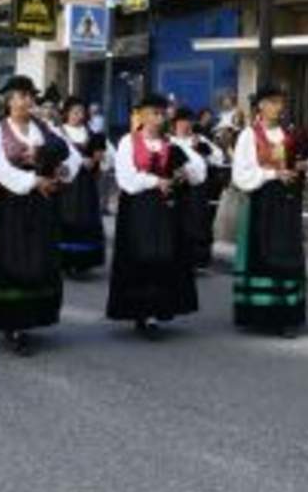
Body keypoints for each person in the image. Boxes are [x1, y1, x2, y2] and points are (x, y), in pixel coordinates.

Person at [0, 76, 79, 356]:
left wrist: (61, 171)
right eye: (20, 96)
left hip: (42, 204)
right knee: (13, 260)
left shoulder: (43, 128)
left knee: (37, 260)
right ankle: (13, 324)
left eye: (30, 96)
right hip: (9, 203)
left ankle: (32, 316)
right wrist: (34, 181)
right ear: (8, 100)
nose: (26, 101)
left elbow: (71, 157)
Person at [108, 94, 203, 340]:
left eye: (161, 114)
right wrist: (155, 180)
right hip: (138, 208)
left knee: (164, 256)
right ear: (141, 115)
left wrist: (183, 172)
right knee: (141, 256)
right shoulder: (128, 142)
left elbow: (198, 173)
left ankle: (155, 311)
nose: (158, 119)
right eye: (153, 113)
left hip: (166, 210)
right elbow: (126, 179)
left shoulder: (171, 144)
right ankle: (139, 311)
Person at [231, 83, 308, 338]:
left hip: (287, 202)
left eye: (280, 102)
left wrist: (304, 165)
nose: (278, 107)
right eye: (273, 102)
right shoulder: (249, 135)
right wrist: (274, 174)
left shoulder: (291, 134)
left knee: (288, 254)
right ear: (260, 106)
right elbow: (241, 174)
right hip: (262, 201)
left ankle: (287, 316)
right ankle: (259, 314)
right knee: (263, 254)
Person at [54, 96, 109, 277]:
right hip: (66, 185)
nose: (78, 115)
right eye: (74, 112)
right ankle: (65, 261)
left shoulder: (92, 134)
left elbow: (106, 158)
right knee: (66, 218)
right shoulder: (58, 132)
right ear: (66, 113)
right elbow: (53, 156)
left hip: (86, 185)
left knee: (86, 219)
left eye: (81, 112)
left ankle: (83, 262)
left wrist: (97, 160)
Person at [171, 107, 219, 270]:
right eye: (182, 122)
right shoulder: (170, 141)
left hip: (198, 188)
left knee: (199, 222)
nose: (186, 125)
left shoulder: (199, 139)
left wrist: (204, 150)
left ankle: (198, 259)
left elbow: (218, 157)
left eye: (188, 122)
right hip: (178, 188)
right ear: (175, 124)